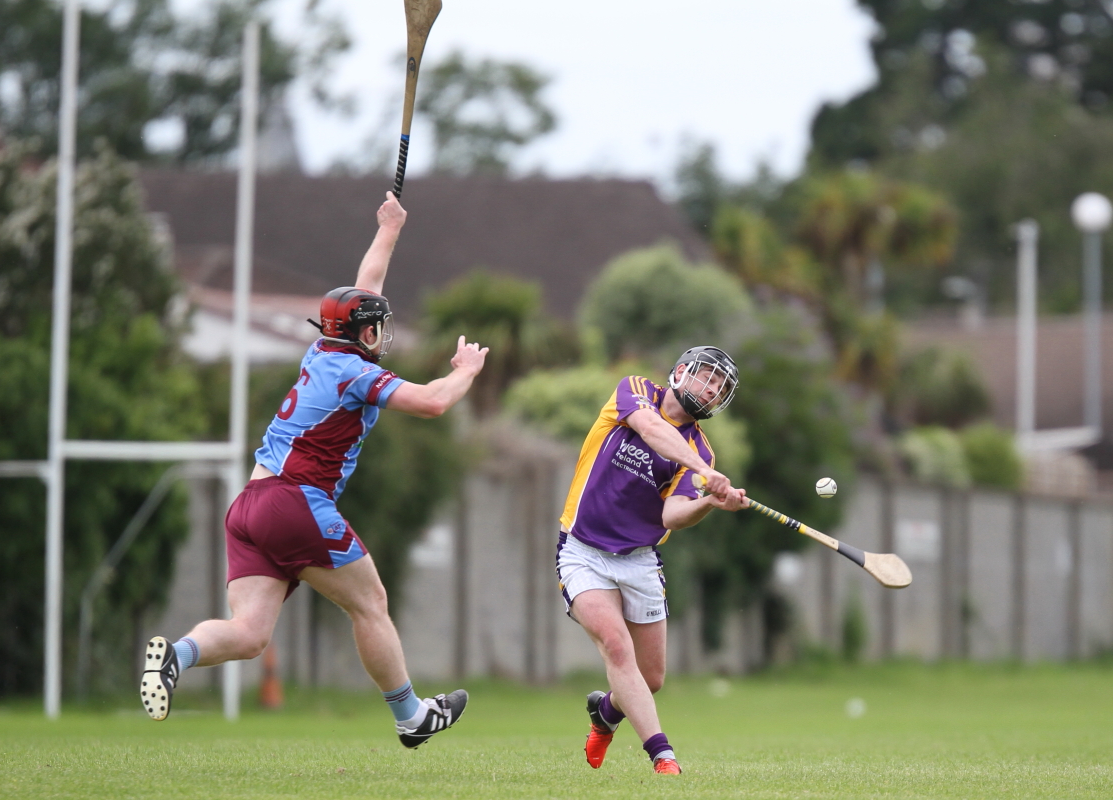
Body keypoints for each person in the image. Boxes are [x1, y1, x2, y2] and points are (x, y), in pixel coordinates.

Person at [140, 191, 488, 749]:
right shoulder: (355, 373)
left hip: (248, 504)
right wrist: (466, 371)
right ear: (363, 335)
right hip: (294, 501)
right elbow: (432, 403)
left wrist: (390, 227)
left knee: (251, 635)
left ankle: (176, 658)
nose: (381, 334)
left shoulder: (322, 352)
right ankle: (410, 717)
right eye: (376, 327)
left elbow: (365, 285)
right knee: (370, 604)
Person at [555, 346, 748, 775]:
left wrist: (710, 502)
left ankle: (605, 712)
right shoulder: (636, 390)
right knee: (617, 648)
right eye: (708, 378)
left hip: (640, 561)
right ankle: (664, 757)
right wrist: (703, 470)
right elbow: (650, 427)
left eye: (720, 388)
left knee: (651, 679)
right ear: (681, 372)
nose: (712, 390)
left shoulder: (703, 451)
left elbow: (671, 517)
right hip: (582, 549)